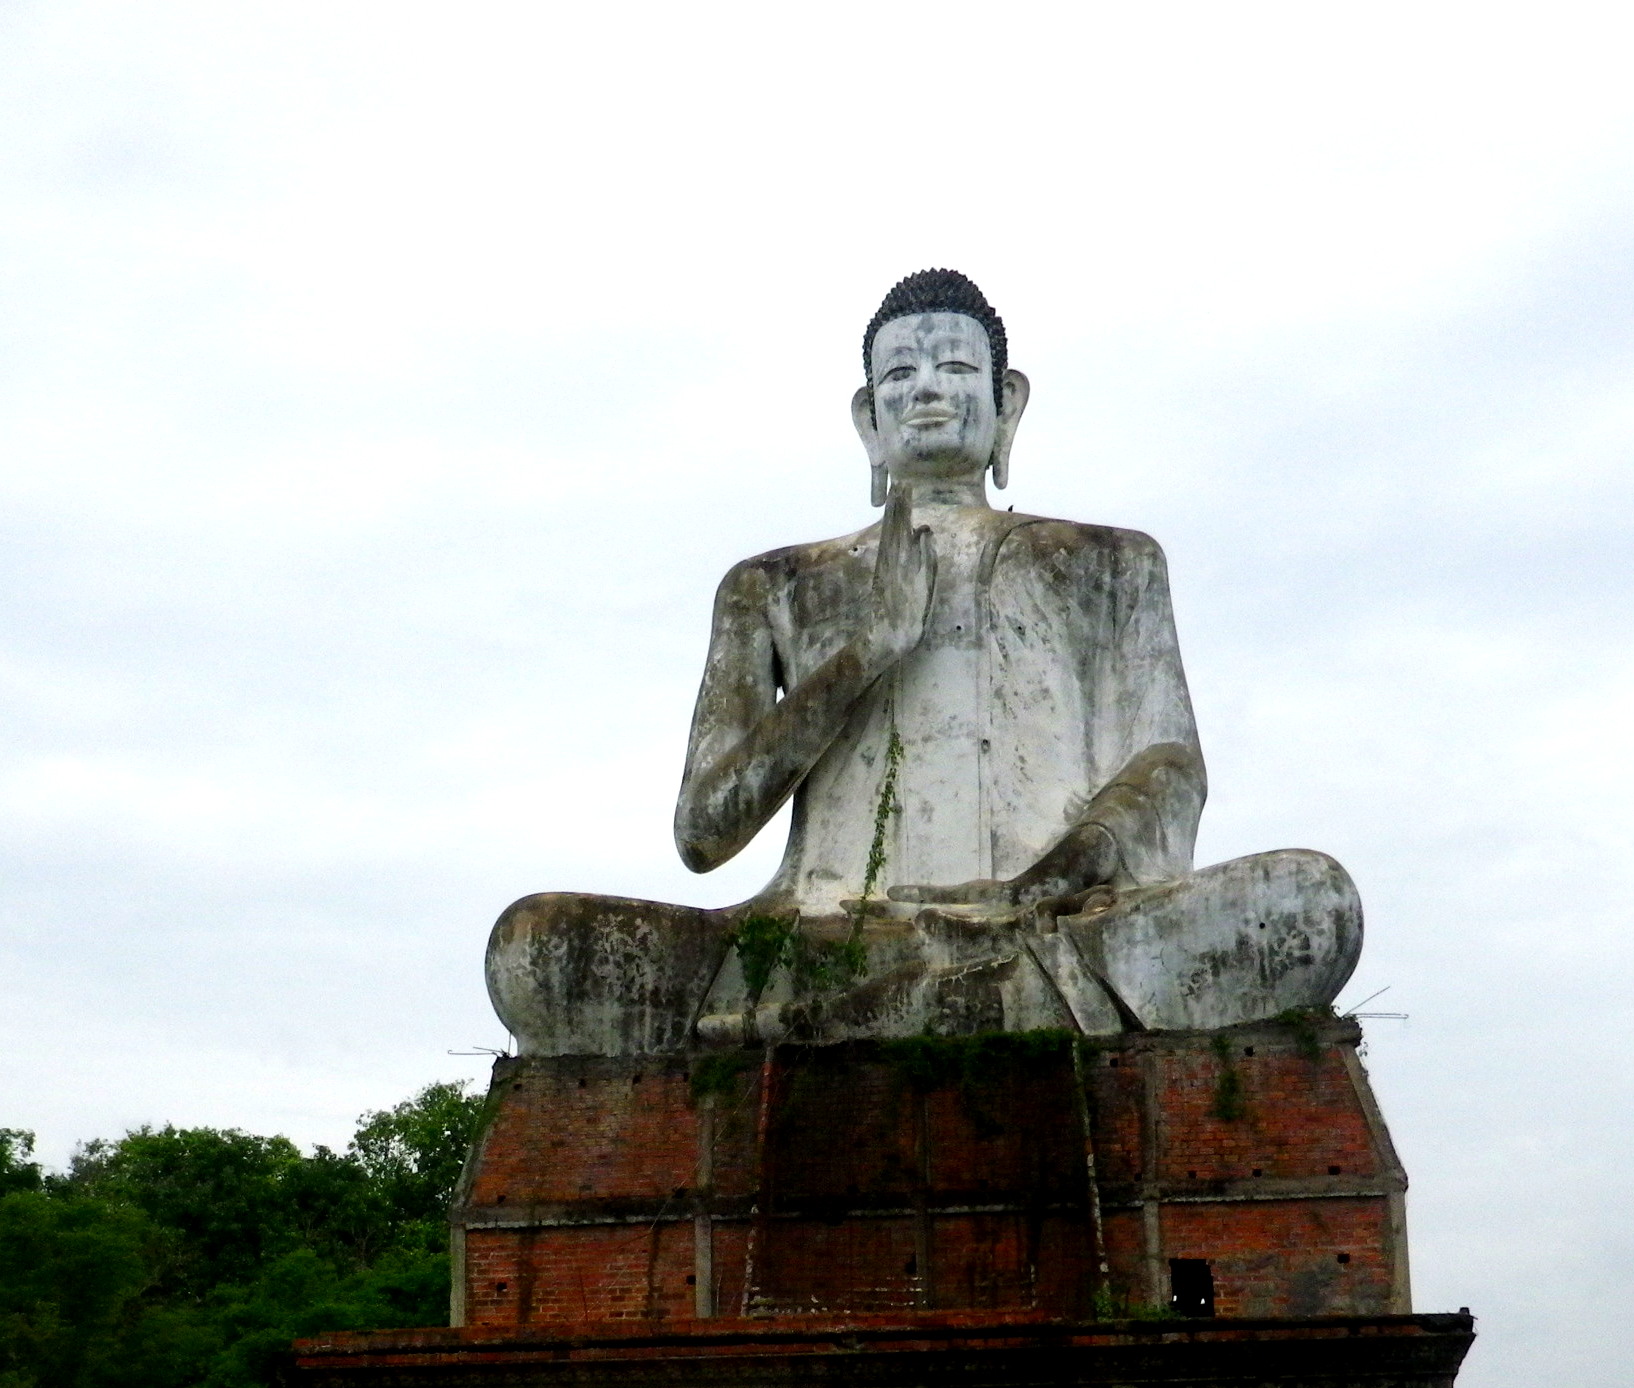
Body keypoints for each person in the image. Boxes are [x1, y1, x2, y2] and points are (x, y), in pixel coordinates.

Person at [488, 269, 1361, 1053]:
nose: (929, 390)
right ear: (868, 417)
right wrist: (867, 648)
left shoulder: (1111, 562)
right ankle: (949, 995)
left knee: (1308, 902)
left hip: (1049, 923)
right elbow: (702, 832)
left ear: (1006, 403)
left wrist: (1058, 875)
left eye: (954, 368)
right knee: (538, 947)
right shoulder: (775, 585)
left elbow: (1169, 766)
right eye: (901, 373)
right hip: (818, 937)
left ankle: (881, 1007)